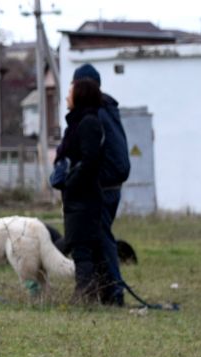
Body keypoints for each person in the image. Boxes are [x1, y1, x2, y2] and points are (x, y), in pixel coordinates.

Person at [71, 63, 129, 306]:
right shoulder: (109, 108)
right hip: (113, 184)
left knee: (102, 239)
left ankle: (114, 293)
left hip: (104, 187)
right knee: (100, 239)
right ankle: (105, 291)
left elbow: (92, 154)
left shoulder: (96, 113)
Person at [55, 76, 108, 303]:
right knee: (86, 247)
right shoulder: (79, 122)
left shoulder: (88, 123)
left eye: (71, 92)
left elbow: (90, 161)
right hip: (78, 199)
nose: (67, 96)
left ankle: (84, 295)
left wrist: (70, 182)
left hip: (83, 200)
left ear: (81, 95)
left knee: (82, 248)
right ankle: (99, 293)